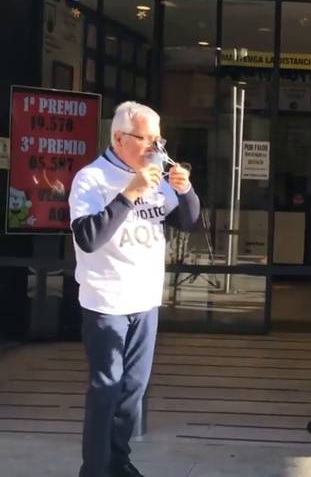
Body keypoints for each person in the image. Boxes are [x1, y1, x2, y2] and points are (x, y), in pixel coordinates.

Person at [69, 101, 201, 477]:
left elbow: (188, 221)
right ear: (118, 137)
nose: (154, 148)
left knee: (133, 393)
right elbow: (88, 238)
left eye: (158, 140)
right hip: (106, 300)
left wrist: (186, 189)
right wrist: (128, 194)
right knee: (106, 390)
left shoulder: (156, 174)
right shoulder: (91, 179)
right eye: (145, 139)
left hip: (145, 301)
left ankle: (118, 462)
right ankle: (94, 470)